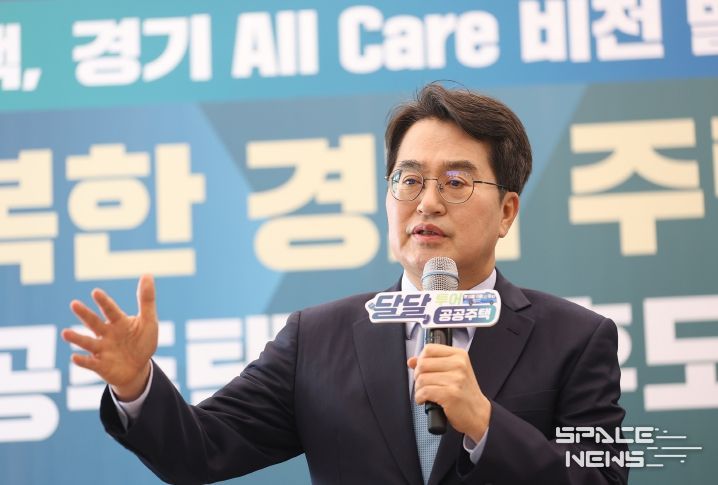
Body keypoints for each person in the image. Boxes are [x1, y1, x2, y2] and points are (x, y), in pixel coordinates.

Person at [62, 83, 629, 485]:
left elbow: (601, 480)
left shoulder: (576, 340)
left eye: (456, 182)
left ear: (507, 211)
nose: (427, 202)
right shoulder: (317, 338)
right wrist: (136, 384)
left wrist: (484, 423)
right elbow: (199, 451)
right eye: (409, 179)